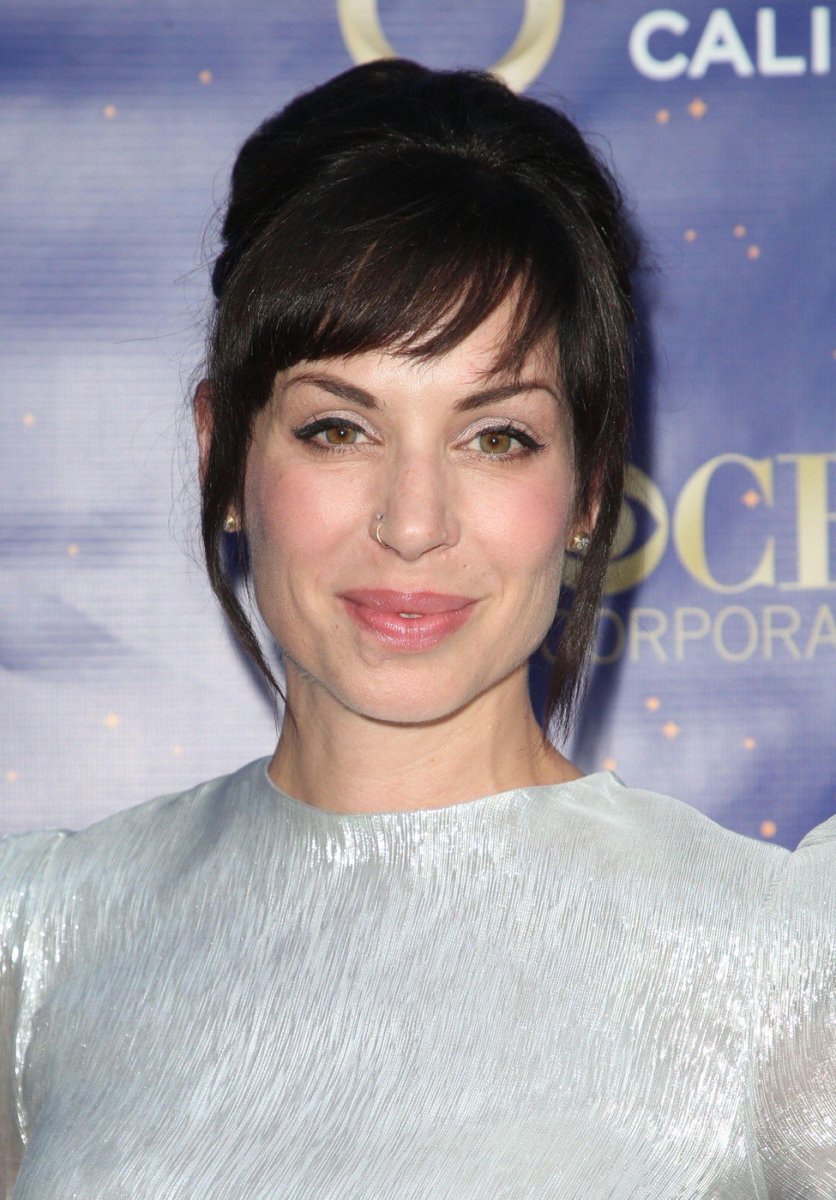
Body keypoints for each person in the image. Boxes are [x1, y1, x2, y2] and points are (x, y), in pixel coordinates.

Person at [1, 59, 833, 1198]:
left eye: (496, 437)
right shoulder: (40, 947)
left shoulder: (779, 970)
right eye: (338, 429)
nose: (412, 522)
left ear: (588, 489)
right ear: (223, 454)